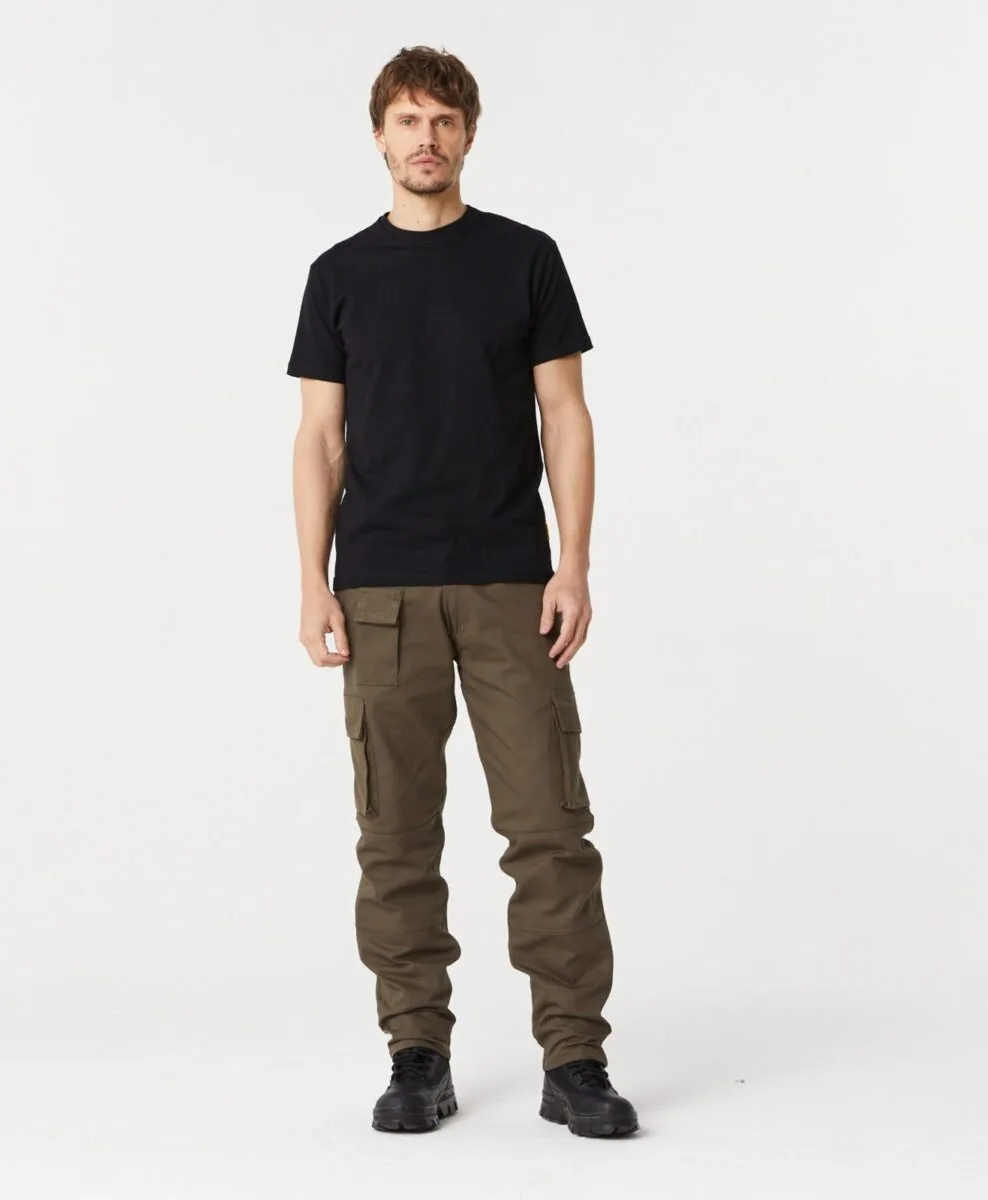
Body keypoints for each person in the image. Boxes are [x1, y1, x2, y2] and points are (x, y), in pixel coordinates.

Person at [286, 45, 638, 1139]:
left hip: (508, 582)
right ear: (379, 137)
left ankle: (574, 1059)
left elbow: (565, 414)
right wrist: (311, 582)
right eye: (407, 120)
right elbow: (320, 438)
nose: (425, 137)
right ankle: (417, 1054)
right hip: (380, 588)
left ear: (469, 135)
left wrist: (574, 562)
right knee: (395, 835)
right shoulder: (339, 274)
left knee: (549, 829)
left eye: (443, 120)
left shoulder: (524, 258)